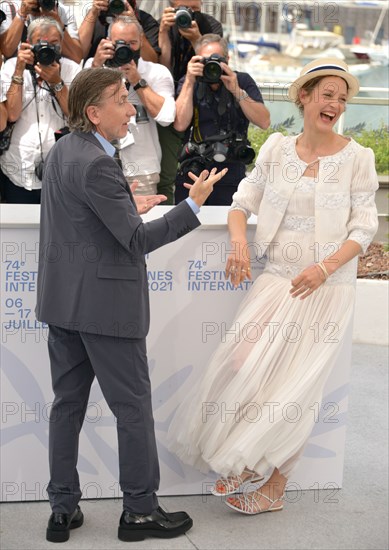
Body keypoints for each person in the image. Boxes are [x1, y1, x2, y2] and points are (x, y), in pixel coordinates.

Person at [168, 58, 379, 514]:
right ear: (304, 96)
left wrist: (324, 269)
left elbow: (363, 230)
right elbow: (242, 205)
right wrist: (239, 246)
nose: (336, 105)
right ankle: (246, 457)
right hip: (275, 280)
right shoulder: (277, 149)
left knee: (296, 387)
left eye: (342, 99)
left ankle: (274, 487)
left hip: (324, 288)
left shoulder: (357, 158)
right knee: (243, 362)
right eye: (327, 95)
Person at [35, 67, 227, 542]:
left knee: (67, 406)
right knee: (134, 410)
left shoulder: (63, 151)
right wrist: (193, 206)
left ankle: (62, 509)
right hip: (106, 309)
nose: (131, 109)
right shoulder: (98, 162)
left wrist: (127, 206)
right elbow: (137, 241)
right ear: (93, 112)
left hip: (63, 305)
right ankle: (139, 511)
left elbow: (86, 221)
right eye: (122, 100)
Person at [174, 34, 270, 205]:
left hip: (230, 170)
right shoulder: (190, 82)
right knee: (187, 226)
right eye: (205, 61)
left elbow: (264, 121)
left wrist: (236, 90)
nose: (212, 66)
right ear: (196, 61)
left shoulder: (241, 81)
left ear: (228, 59)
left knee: (227, 226)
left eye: (217, 60)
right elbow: (180, 123)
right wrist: (189, 80)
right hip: (195, 170)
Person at [85, 16, 175, 196]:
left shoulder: (156, 72)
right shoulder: (94, 67)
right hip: (98, 166)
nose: (126, 48)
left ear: (141, 41)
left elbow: (166, 118)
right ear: (108, 42)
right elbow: (78, 112)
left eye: (132, 43)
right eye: (120, 43)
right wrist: (96, 66)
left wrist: (137, 80)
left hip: (142, 170)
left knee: (142, 224)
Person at [0, 16, 81, 203]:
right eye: (41, 43)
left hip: (62, 171)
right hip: (18, 170)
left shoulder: (72, 70)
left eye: (54, 43)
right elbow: (12, 114)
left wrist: (56, 82)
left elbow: (76, 114)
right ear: (28, 44)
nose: (48, 49)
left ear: (61, 44)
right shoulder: (12, 67)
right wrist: (19, 70)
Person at [157, 0, 223, 205]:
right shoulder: (166, 25)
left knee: (202, 169)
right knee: (166, 174)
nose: (188, 15)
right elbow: (163, 69)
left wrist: (197, 40)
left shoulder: (211, 26)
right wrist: (163, 34)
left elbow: (216, 67)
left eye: (194, 10)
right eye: (182, 10)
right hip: (172, 105)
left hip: (202, 105)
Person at [0, 0, 82, 63]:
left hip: (53, 71)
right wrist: (22, 14)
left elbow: (76, 57)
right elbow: (7, 51)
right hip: (21, 71)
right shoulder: (10, 8)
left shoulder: (65, 12)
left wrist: (58, 22)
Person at [79, 0, 159, 63]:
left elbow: (152, 61)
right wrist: (93, 12)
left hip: (134, 75)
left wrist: (136, 26)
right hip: (100, 77)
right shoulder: (95, 17)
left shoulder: (146, 21)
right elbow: (78, 55)